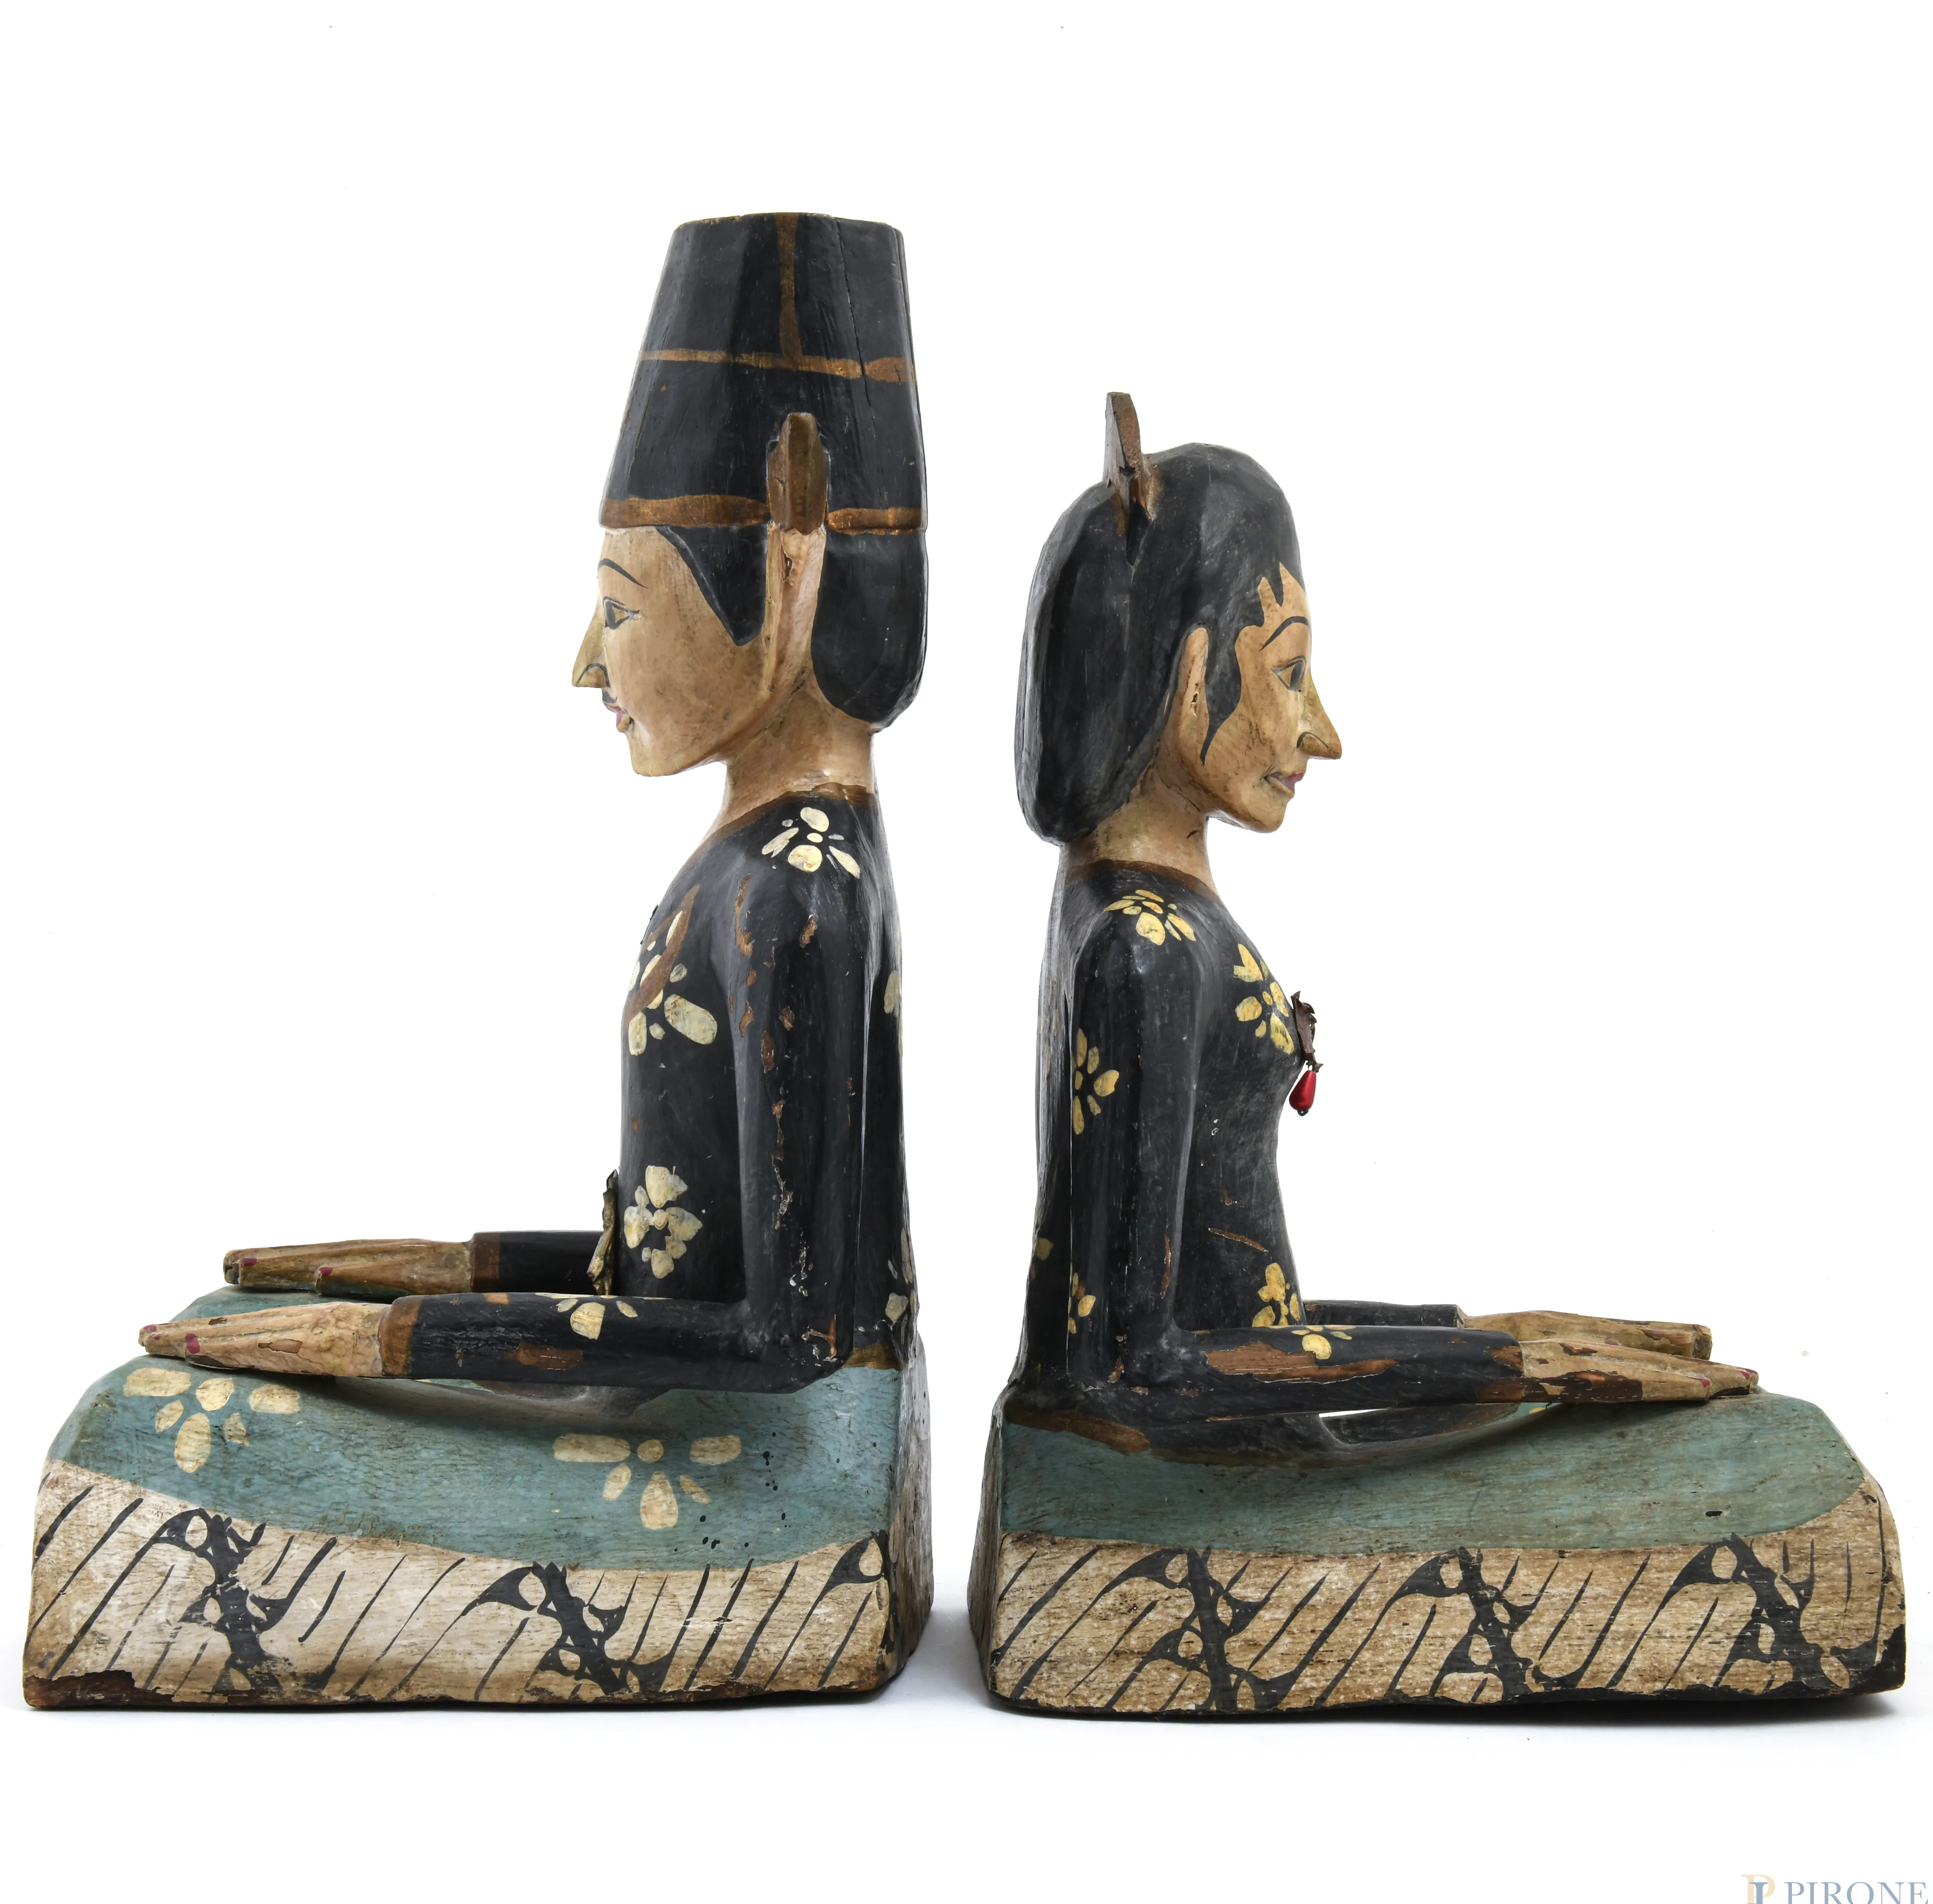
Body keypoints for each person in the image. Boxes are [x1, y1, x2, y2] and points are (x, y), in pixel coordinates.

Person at [143, 215, 925, 1392]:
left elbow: (792, 1336)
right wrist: (449, 1271)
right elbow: (685, 1256)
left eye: (621, 605)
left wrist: (401, 1338)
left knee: (170, 1420)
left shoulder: (798, 885)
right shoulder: (775, 856)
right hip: (699, 1382)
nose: (586, 662)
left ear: (790, 564)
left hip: (760, 1444)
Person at [1003, 395, 1750, 1447]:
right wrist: (1507, 1370)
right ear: (1185, 670)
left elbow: (1222, 1314)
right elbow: (1134, 1367)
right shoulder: (1143, 946)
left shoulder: (1134, 911)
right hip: (1203, 1468)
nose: (1323, 731)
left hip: (1233, 1439)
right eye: (1288, 671)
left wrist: (1491, 1333)